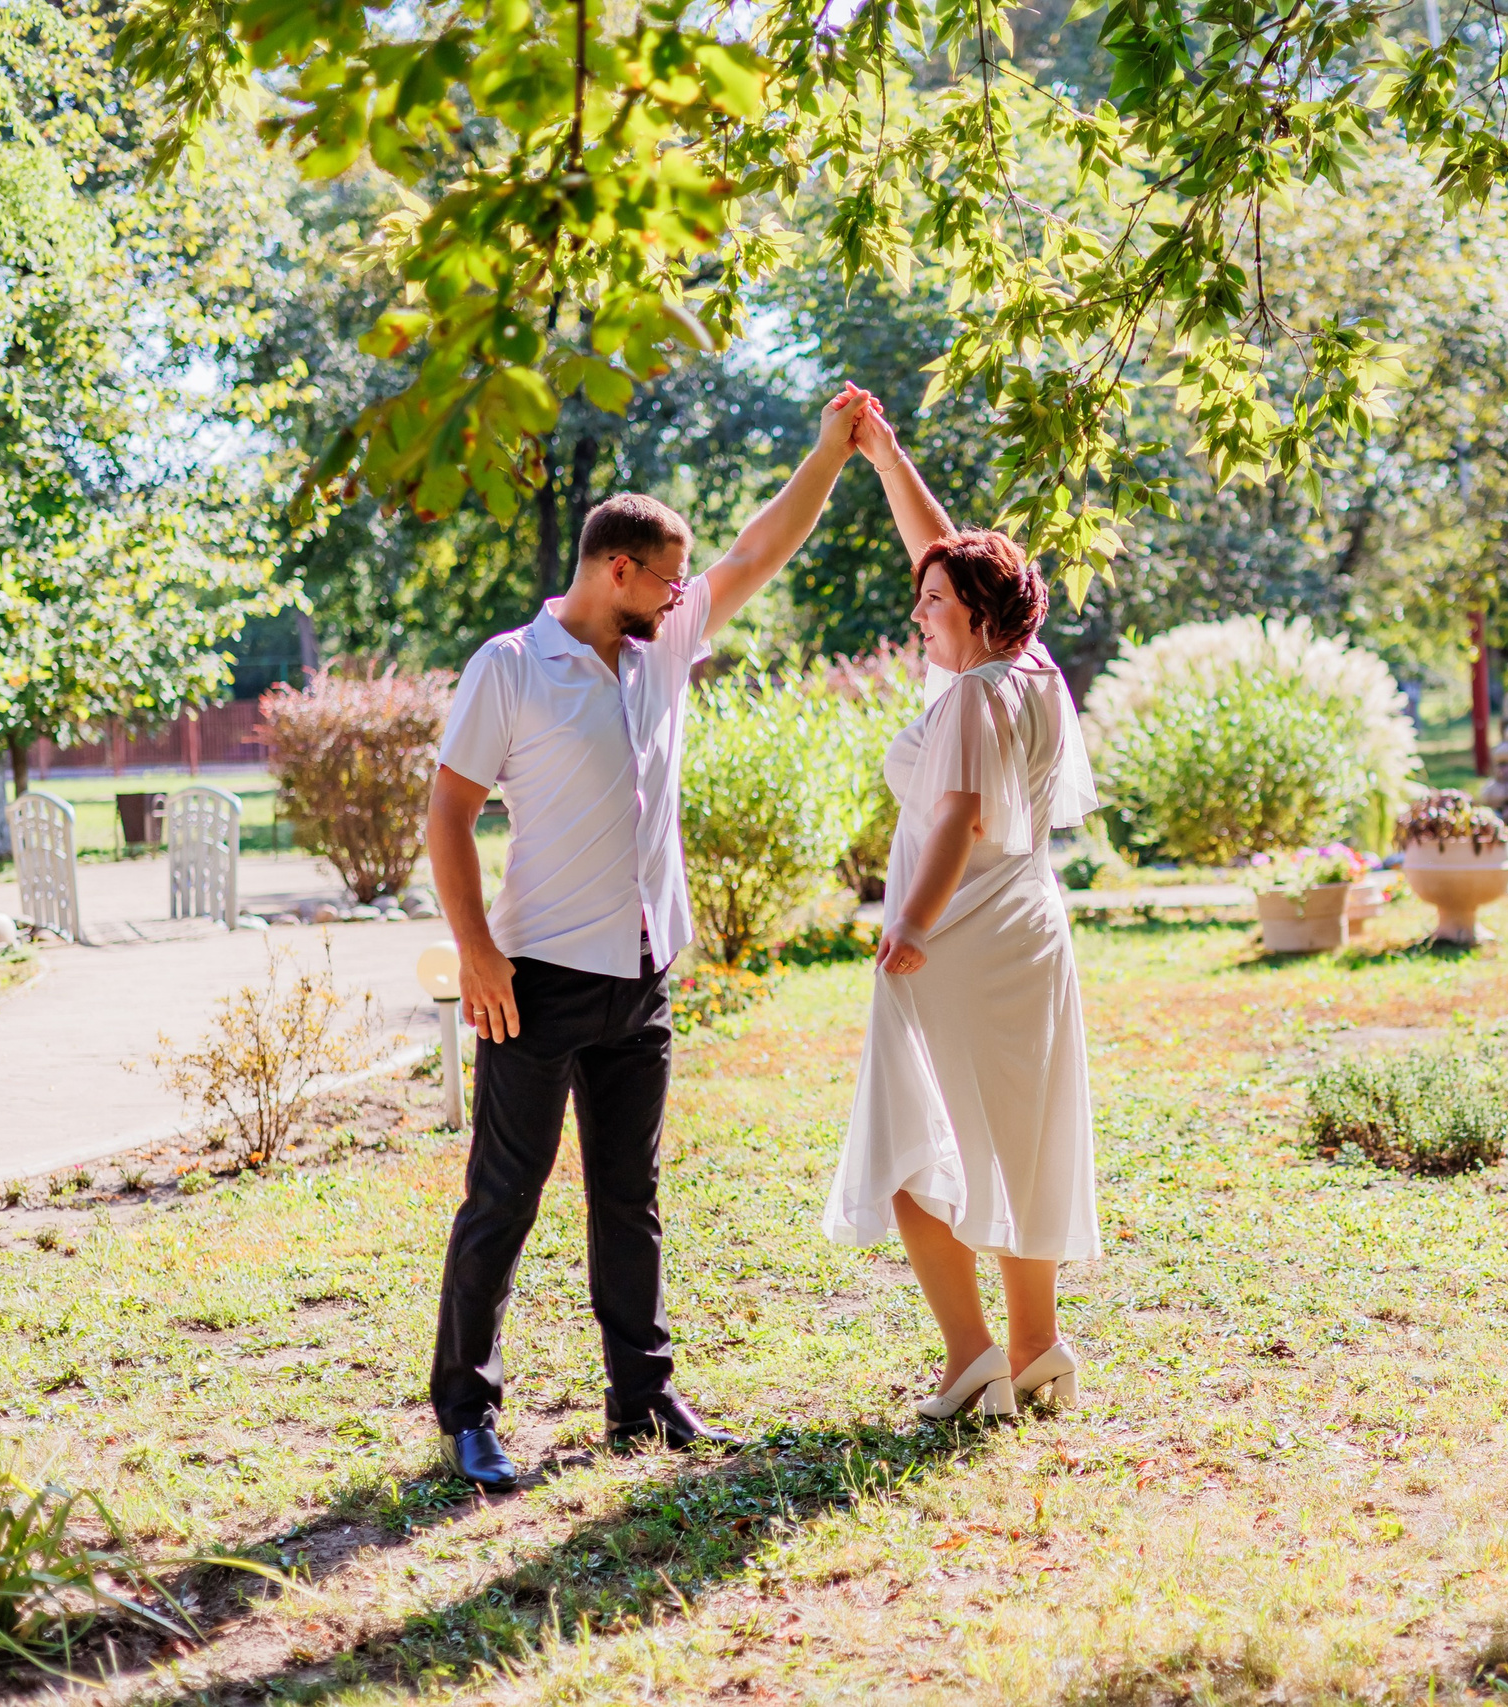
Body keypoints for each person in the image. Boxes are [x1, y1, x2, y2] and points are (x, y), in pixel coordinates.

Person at [423, 384, 874, 1488]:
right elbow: (446, 810)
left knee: (631, 1195)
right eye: (670, 579)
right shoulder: (511, 667)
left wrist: (828, 453)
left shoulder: (663, 648)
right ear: (613, 570)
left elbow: (762, 545)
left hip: (641, 977)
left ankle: (644, 1400)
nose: (687, 595)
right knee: (504, 1201)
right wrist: (476, 951)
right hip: (532, 980)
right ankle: (468, 1413)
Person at [821, 400, 1101, 1419]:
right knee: (1021, 1140)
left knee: (906, 1146)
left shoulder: (976, 696)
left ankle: (971, 1356)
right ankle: (1038, 1351)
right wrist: (887, 461)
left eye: (931, 605)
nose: (917, 614)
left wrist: (909, 927)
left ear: (978, 617)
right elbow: (941, 552)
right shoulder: (1030, 671)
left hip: (954, 945)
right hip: (1029, 934)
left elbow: (955, 820)